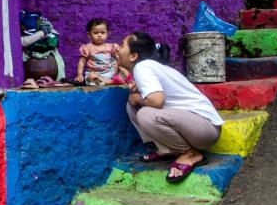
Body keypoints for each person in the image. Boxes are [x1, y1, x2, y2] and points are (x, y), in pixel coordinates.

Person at [118, 31, 224, 184]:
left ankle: (190, 154)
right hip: (196, 127)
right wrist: (137, 96)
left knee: (145, 113)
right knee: (133, 106)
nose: (118, 49)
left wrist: (138, 98)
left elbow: (157, 101)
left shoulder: (142, 66)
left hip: (206, 129)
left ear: (133, 56)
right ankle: (167, 150)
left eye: (122, 46)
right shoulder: (151, 67)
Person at [76, 18, 126, 85]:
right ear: (89, 35)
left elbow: (118, 59)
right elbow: (82, 62)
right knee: (91, 77)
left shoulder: (111, 47)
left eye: (102, 32)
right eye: (96, 33)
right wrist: (79, 74)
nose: (99, 35)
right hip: (95, 74)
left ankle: (108, 81)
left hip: (109, 72)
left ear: (107, 33)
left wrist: (117, 68)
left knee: (119, 65)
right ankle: (110, 82)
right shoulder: (87, 48)